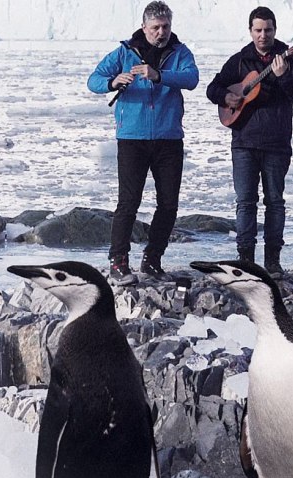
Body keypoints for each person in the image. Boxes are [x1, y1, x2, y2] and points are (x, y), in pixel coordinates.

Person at [87, 1, 199, 285]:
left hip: (168, 138)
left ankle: (152, 259)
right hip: (132, 139)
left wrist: (158, 75)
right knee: (128, 202)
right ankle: (118, 261)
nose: (161, 32)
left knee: (168, 204)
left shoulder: (179, 52)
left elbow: (192, 78)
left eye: (166, 27)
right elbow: (93, 80)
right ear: (144, 27)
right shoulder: (125, 52)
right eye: (156, 28)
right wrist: (113, 82)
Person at [206, 6, 293, 279]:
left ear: (275, 30)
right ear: (251, 31)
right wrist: (226, 98)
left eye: (268, 30)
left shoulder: (289, 57)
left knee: (275, 201)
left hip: (276, 142)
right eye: (258, 30)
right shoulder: (240, 60)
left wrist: (283, 75)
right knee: (245, 202)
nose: (263, 35)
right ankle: (245, 260)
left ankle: (273, 261)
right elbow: (213, 87)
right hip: (244, 141)